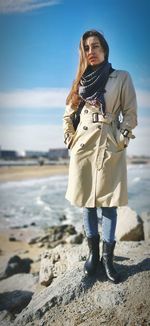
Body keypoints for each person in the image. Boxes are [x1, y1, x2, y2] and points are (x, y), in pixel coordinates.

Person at [63, 30, 137, 283]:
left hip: (109, 143)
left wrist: (122, 138)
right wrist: (70, 139)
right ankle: (93, 255)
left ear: (105, 49)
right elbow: (67, 114)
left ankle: (108, 259)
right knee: (87, 201)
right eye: (86, 48)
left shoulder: (122, 77)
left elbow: (130, 112)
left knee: (109, 202)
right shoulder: (80, 80)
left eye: (95, 46)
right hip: (83, 145)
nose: (91, 51)